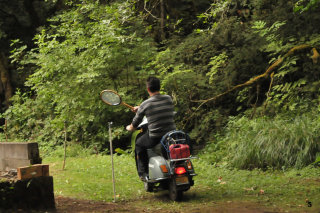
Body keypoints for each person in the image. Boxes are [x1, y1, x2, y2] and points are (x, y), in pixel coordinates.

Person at [126, 76, 176, 181]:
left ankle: (144, 174)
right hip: (171, 135)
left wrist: (129, 127)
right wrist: (140, 108)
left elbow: (135, 124)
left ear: (148, 89)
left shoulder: (145, 104)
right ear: (159, 87)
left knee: (139, 144)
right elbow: (156, 105)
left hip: (155, 137)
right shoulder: (168, 98)